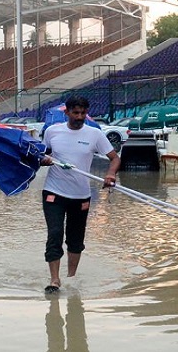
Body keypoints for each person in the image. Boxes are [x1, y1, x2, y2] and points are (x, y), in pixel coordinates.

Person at [39, 95, 120, 294]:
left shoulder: (95, 134)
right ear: (66, 112)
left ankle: (71, 278)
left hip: (81, 195)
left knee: (76, 239)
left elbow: (114, 158)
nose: (80, 116)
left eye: (83, 113)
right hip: (54, 192)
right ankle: (55, 280)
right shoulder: (52, 131)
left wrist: (110, 174)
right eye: (75, 113)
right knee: (55, 233)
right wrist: (44, 160)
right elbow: (41, 155)